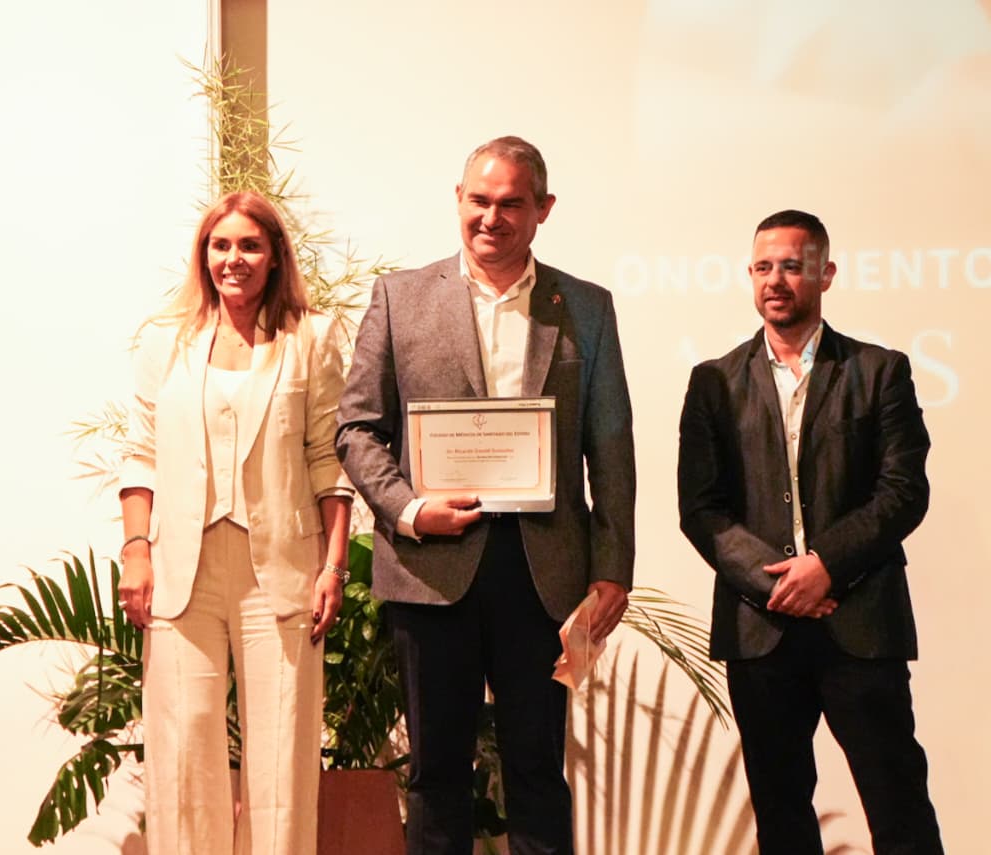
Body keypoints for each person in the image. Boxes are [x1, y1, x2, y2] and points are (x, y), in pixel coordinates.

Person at [336, 136, 636, 855]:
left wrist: (613, 567)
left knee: (537, 769)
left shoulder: (586, 307)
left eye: (510, 203)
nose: (491, 217)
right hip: (431, 568)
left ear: (543, 209)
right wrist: (410, 509)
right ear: (458, 199)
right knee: (436, 773)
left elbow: (611, 445)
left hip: (544, 574)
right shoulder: (399, 297)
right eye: (479, 200)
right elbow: (356, 427)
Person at [677, 209, 944, 854]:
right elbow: (701, 508)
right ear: (750, 275)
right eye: (764, 267)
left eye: (793, 267)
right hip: (759, 627)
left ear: (825, 274)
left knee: (899, 806)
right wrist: (775, 581)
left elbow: (904, 492)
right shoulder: (713, 381)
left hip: (860, 620)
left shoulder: (880, 370)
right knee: (781, 815)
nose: (776, 280)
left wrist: (825, 565)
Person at [116, 191, 354, 855]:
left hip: (282, 571)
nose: (234, 259)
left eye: (250, 245)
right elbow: (140, 455)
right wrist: (136, 552)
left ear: (275, 256)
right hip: (181, 573)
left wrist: (333, 566)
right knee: (183, 759)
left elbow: (328, 459)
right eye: (220, 245)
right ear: (204, 255)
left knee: (282, 761)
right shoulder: (165, 341)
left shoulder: (312, 338)